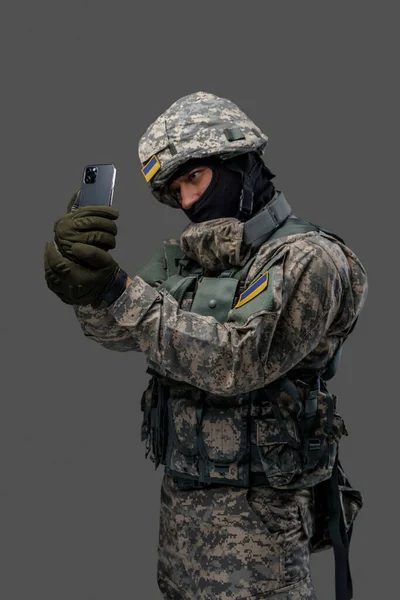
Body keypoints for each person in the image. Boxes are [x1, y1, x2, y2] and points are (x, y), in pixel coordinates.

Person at [44, 91, 368, 600]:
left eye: (194, 177)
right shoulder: (188, 259)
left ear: (240, 161)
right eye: (177, 190)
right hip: (181, 520)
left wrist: (117, 290)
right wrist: (84, 290)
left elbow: (239, 361)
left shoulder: (312, 260)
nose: (189, 202)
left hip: (260, 533)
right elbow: (116, 331)